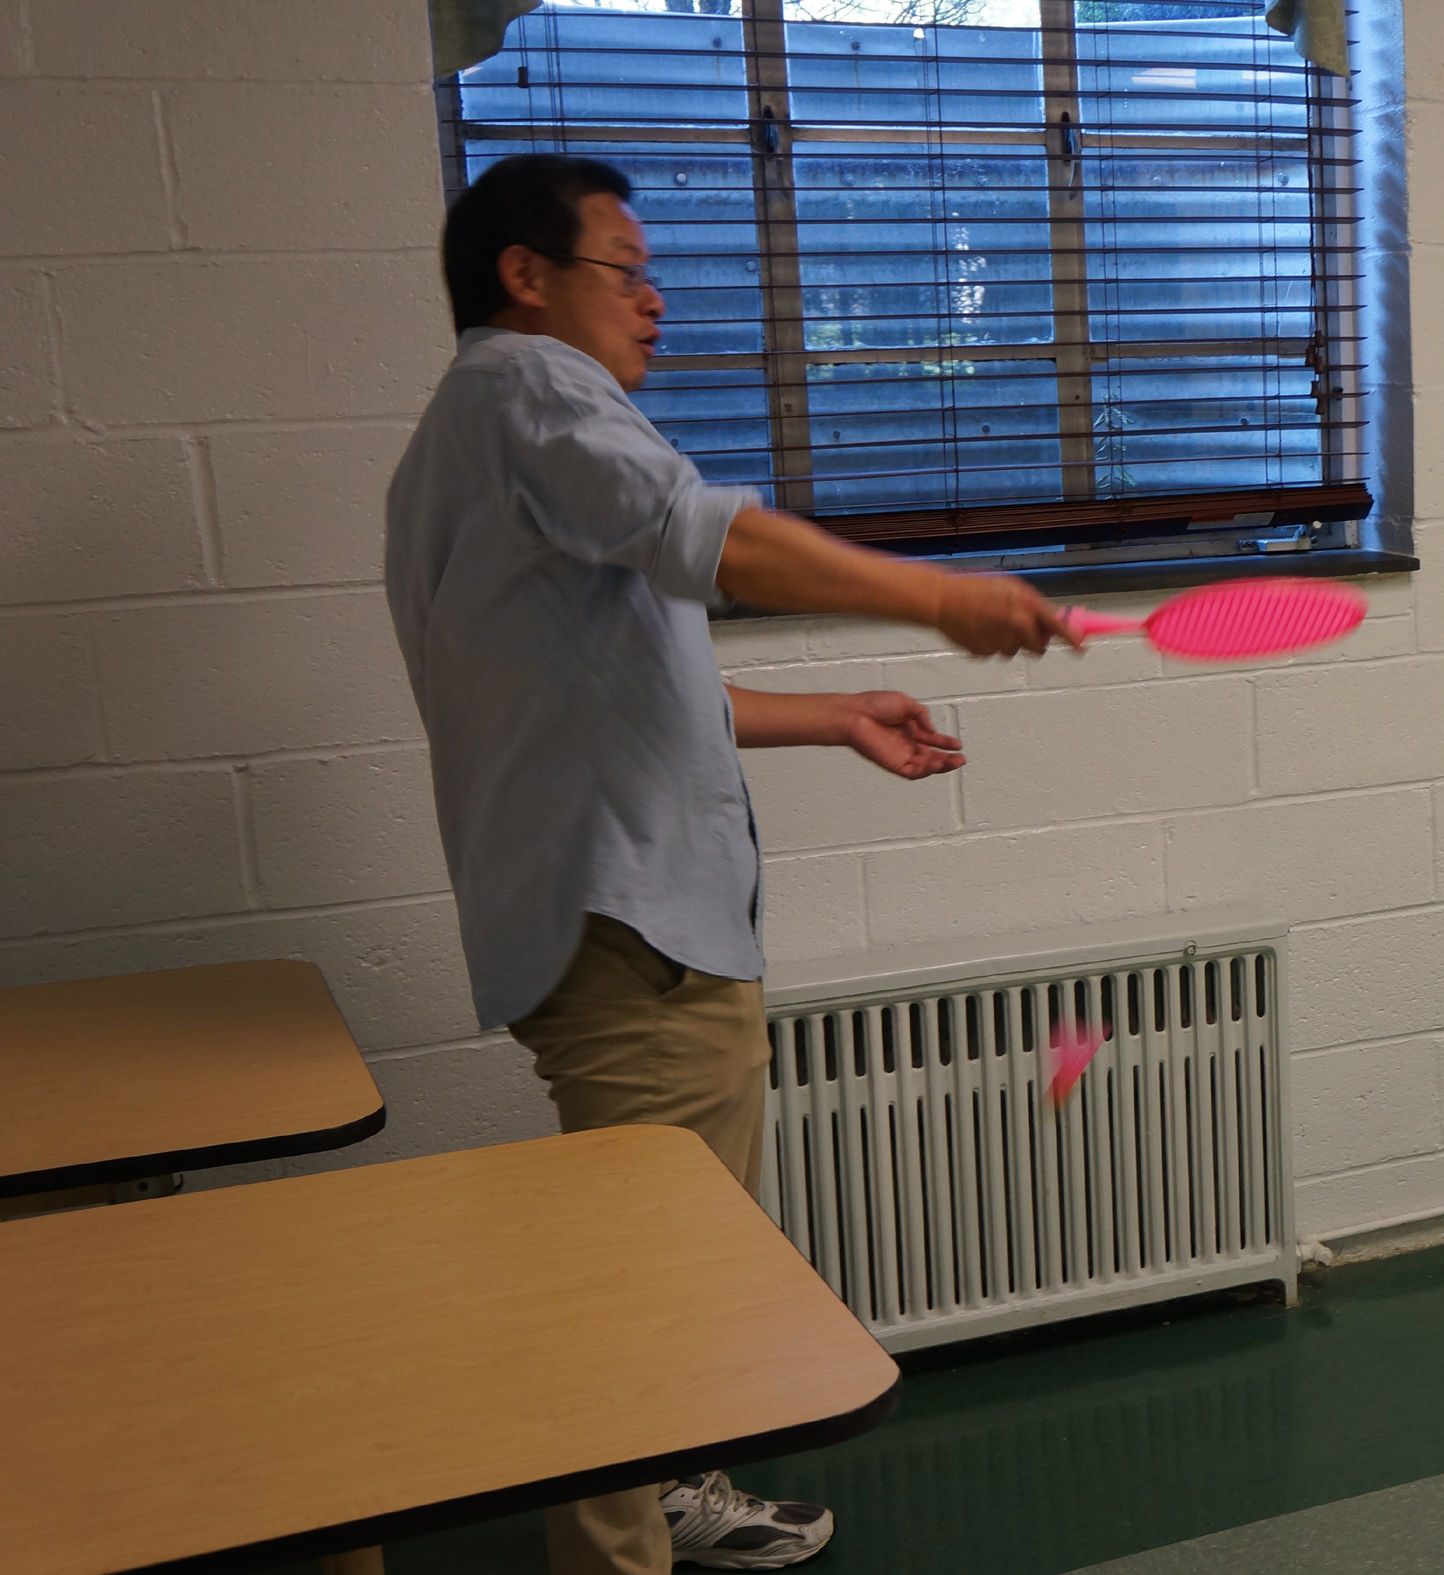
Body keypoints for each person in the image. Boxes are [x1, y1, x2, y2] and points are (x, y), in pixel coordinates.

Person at [387, 153, 1076, 1574]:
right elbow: (705, 536)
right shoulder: (531, 390)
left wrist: (835, 715)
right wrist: (939, 596)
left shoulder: (472, 437)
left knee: (669, 1264)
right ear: (526, 275)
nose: (654, 300)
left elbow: (607, 690)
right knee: (632, 1286)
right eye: (625, 270)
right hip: (630, 935)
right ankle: (621, 1550)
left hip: (619, 921)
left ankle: (673, 1491)